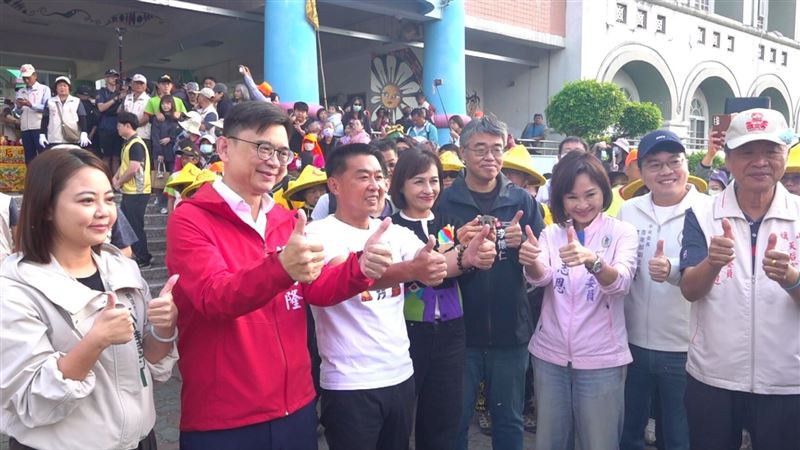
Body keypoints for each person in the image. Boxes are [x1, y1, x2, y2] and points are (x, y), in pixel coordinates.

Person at [165, 101, 393, 450]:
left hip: (295, 407)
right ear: (224, 147)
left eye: (283, 152)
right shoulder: (191, 219)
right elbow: (213, 298)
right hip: (225, 415)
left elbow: (315, 290)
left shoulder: (286, 220)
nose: (274, 161)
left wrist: (359, 268)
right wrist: (281, 268)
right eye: (263, 148)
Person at [306, 143, 493, 450]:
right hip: (351, 383)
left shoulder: (393, 232)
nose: (375, 185)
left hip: (399, 376)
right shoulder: (319, 234)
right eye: (363, 177)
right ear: (334, 185)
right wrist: (412, 270)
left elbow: (432, 263)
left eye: (379, 177)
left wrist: (465, 257)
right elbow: (344, 280)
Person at [0, 147, 178, 449]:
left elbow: (147, 366)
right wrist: (95, 341)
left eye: (109, 199)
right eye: (86, 200)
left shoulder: (123, 270)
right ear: (46, 207)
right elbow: (30, 400)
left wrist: (163, 330)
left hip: (142, 439)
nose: (104, 212)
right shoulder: (15, 288)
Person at [679, 108, 800, 450]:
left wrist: (791, 279)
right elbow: (690, 289)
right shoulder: (703, 214)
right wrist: (712, 264)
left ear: (785, 155)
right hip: (713, 377)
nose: (760, 162)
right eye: (747, 152)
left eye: (770, 151)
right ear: (728, 158)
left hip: (786, 380)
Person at [435, 113, 545, 450]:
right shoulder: (444, 202)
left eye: (497, 149)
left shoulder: (522, 201)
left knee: (509, 419)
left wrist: (524, 247)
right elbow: (431, 264)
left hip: (511, 329)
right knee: (455, 418)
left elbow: (541, 260)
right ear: (462, 153)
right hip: (458, 330)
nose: (490, 157)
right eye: (480, 149)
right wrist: (458, 245)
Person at [519, 151, 638, 450]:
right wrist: (530, 259)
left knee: (599, 443)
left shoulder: (621, 232)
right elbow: (541, 277)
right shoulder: (551, 233)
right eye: (572, 197)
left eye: (591, 194)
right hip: (549, 357)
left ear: (604, 192)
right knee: (550, 442)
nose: (582, 205)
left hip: (602, 360)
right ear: (560, 199)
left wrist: (593, 261)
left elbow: (621, 282)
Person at [388, 148, 498, 450]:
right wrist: (455, 251)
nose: (428, 189)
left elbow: (466, 276)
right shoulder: (391, 227)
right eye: (418, 181)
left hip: (451, 332)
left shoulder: (451, 222)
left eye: (434, 181)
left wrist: (478, 258)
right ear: (401, 185)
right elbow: (406, 275)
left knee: (443, 418)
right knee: (399, 417)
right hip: (406, 332)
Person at [617, 130, 704, 450]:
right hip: (631, 343)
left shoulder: (708, 210)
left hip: (684, 347)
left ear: (686, 164)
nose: (666, 171)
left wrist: (674, 271)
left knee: (679, 434)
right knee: (629, 430)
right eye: (655, 164)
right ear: (640, 171)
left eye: (674, 162)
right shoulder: (628, 211)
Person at [113, 112, 152, 268]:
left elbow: (134, 168)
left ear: (127, 125)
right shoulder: (129, 143)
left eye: (119, 125)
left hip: (137, 191)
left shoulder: (136, 143)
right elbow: (125, 165)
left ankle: (144, 257)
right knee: (128, 225)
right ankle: (138, 254)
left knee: (135, 225)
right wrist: (115, 177)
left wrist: (119, 182)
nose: (117, 128)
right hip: (130, 190)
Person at [14, 64, 51, 164]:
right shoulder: (20, 91)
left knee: (43, 156)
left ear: (35, 75)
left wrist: (31, 105)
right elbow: (17, 113)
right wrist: (18, 107)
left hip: (39, 127)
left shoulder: (44, 89)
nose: (26, 80)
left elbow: (48, 108)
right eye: (24, 78)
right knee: (29, 157)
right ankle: (31, 178)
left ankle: (44, 179)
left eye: (28, 78)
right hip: (25, 128)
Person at [39, 76, 90, 148]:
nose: (62, 88)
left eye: (64, 86)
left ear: (69, 88)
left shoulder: (77, 101)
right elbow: (45, 119)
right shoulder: (50, 102)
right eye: (59, 86)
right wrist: (42, 134)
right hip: (54, 139)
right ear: (56, 88)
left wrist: (84, 133)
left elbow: (82, 118)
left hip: (72, 138)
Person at [536, 136, 588, 206]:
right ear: (559, 157)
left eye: (577, 151)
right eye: (567, 152)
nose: (572, 156)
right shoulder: (547, 186)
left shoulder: (595, 182)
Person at [96, 69, 124, 172]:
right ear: (106, 78)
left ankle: (115, 182)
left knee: (117, 157)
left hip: (118, 125)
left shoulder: (120, 92)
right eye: (111, 76)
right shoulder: (102, 92)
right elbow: (101, 108)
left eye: (116, 77)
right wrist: (116, 98)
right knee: (106, 156)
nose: (114, 79)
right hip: (106, 125)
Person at [120, 74, 152, 152]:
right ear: (132, 84)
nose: (139, 85)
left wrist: (131, 127)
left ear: (145, 85)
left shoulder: (149, 100)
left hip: (142, 135)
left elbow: (146, 118)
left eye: (141, 83)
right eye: (136, 83)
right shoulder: (127, 97)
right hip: (127, 135)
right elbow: (122, 113)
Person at [76, 85, 100, 157]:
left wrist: (90, 134)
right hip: (77, 134)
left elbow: (95, 122)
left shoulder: (91, 105)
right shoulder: (74, 103)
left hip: (89, 134)